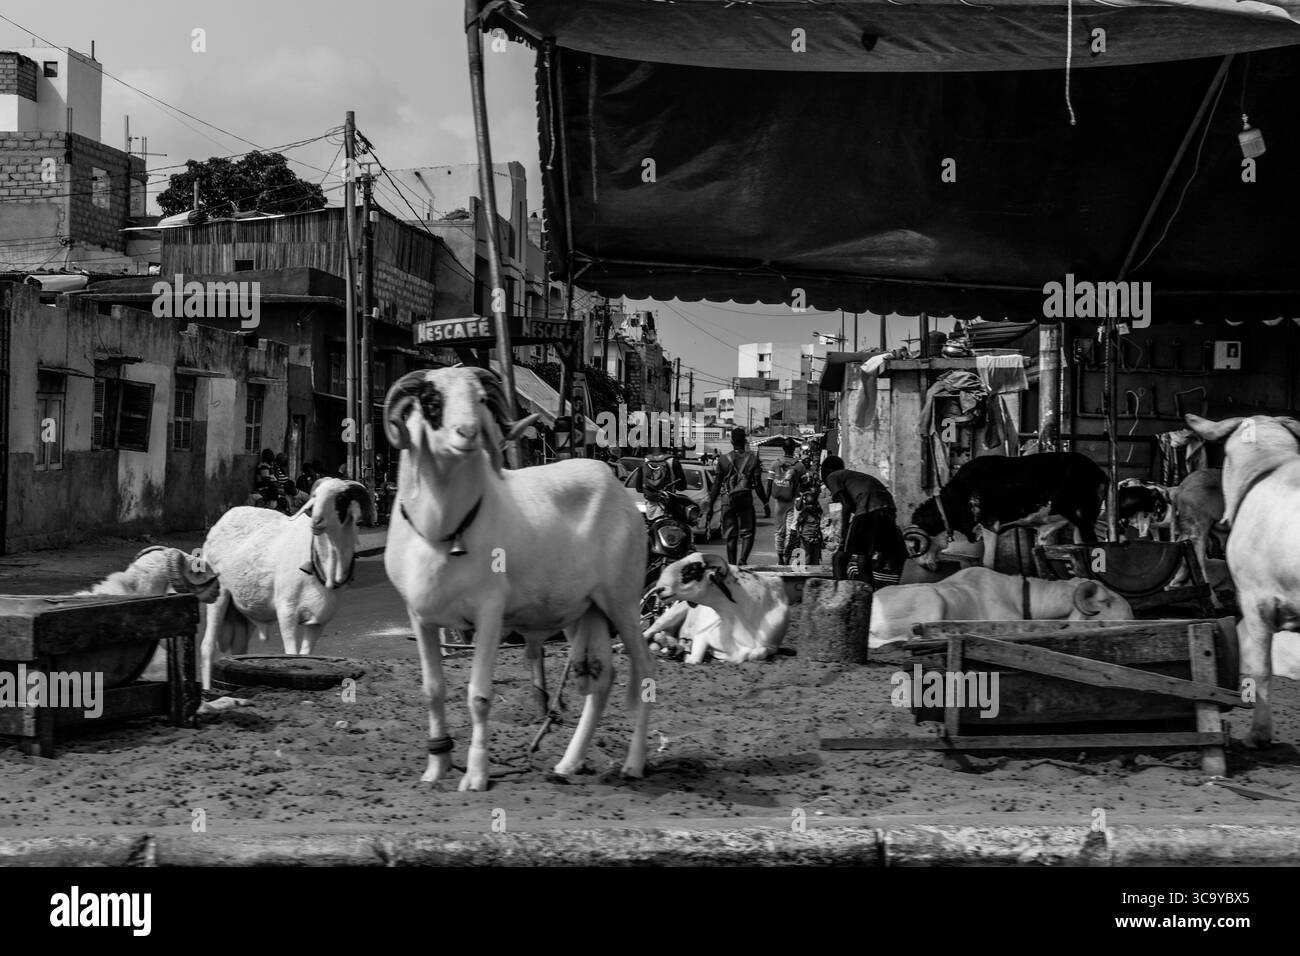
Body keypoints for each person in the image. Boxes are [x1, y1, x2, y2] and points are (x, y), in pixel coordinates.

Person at [820, 455, 906, 587]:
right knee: (863, 560)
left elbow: (847, 505)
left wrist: (843, 534)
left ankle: (840, 598)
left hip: (869, 509)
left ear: (825, 471)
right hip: (888, 509)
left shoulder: (832, 476)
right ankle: (870, 599)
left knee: (839, 559)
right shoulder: (853, 476)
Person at [706, 427, 768, 566]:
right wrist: (765, 503)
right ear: (745, 441)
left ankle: (732, 565)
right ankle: (742, 560)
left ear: (731, 441)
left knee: (730, 535)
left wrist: (710, 506)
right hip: (745, 500)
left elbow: (716, 485)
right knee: (748, 533)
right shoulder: (753, 459)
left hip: (727, 501)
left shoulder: (722, 460)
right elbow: (758, 484)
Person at [770, 438, 806, 564]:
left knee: (779, 530)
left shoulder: (775, 464)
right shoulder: (800, 465)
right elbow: (805, 484)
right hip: (793, 501)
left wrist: (766, 501)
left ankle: (780, 558)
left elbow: (769, 483)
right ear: (794, 448)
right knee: (791, 531)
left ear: (783, 449)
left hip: (779, 502)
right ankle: (786, 557)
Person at [631, 450, 685, 521]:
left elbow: (639, 488)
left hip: (650, 504)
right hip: (666, 504)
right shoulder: (672, 461)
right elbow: (682, 486)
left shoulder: (645, 460)